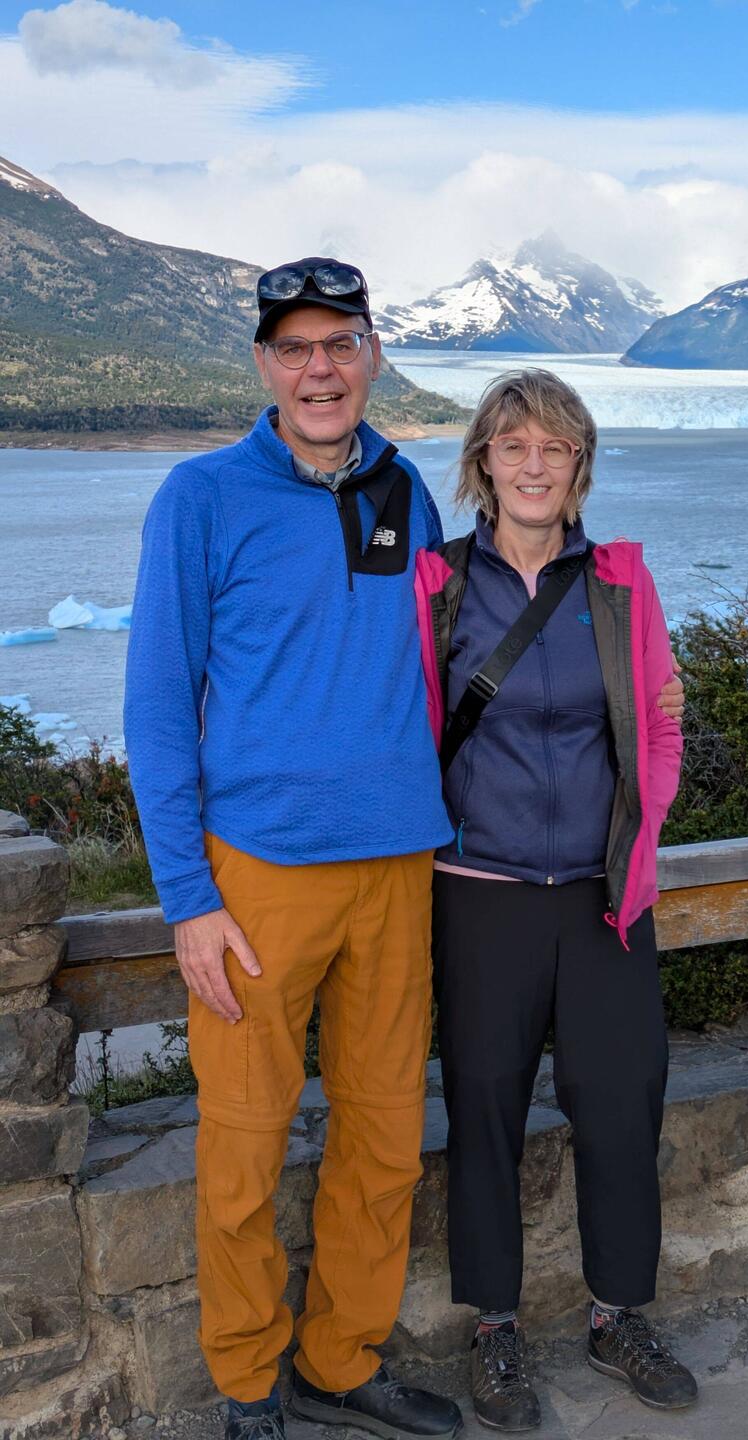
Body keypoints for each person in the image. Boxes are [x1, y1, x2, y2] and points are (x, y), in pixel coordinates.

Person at [124, 259, 465, 1440]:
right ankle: (245, 1381)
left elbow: (433, 663)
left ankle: (341, 1358)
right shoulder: (202, 496)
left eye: (341, 344)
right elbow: (161, 705)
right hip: (257, 874)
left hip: (398, 863)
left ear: (373, 354)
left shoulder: (404, 489)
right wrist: (187, 897)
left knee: (382, 1138)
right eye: (295, 348)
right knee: (244, 1146)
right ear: (264, 364)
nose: (319, 368)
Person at [414, 369, 698, 1433]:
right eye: (513, 445)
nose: (535, 465)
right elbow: (406, 725)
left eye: (557, 448)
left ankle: (617, 1312)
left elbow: (660, 720)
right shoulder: (437, 583)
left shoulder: (619, 581)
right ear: (482, 461)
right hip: (477, 893)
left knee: (621, 1105)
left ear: (581, 467)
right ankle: (494, 1329)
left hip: (599, 897)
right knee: (482, 1110)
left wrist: (640, 838)